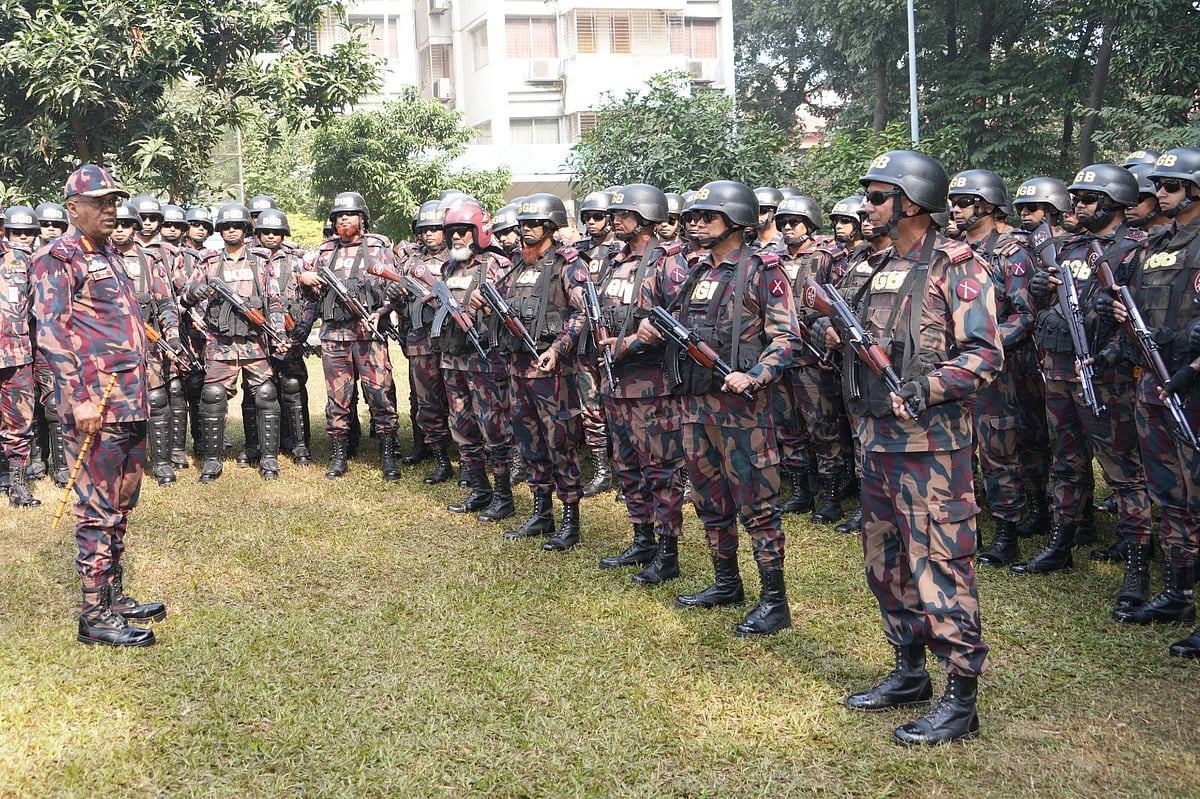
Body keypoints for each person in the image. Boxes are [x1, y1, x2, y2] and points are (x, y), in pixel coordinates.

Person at [825, 151, 1002, 744]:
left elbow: (983, 355)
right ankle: (908, 670)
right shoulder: (871, 266)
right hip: (875, 441)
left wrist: (929, 386)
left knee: (940, 566)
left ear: (913, 203)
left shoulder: (957, 266)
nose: (867, 208)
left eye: (878, 198)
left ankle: (961, 697)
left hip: (931, 449)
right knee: (886, 562)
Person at [636, 180, 800, 636]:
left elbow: (787, 339)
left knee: (758, 504)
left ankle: (774, 600)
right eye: (691, 217)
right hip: (696, 404)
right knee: (709, 499)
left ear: (737, 221)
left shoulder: (763, 271)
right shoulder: (695, 272)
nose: (695, 224)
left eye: (706, 217)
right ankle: (726, 582)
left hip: (742, 409)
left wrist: (756, 375)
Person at [31, 164, 166, 647]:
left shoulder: (109, 253)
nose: (112, 210)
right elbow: (52, 332)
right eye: (101, 203)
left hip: (129, 401)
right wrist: (81, 397)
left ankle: (114, 597)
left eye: (114, 202)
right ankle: (94, 616)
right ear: (74, 208)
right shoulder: (57, 257)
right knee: (97, 508)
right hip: (96, 404)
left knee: (123, 502)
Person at [1101, 147, 1200, 638]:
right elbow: (1127, 298)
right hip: (1152, 382)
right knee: (1170, 493)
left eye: (1172, 186)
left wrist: (1188, 353)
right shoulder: (1156, 241)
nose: (1159, 193)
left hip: (1192, 383)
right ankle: (1179, 595)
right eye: (1158, 185)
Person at [592, 183, 690, 584]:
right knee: (627, 465)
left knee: (660, 469)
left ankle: (668, 552)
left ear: (646, 217)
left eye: (623, 215)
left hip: (652, 385)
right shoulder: (614, 261)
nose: (616, 221)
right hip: (616, 384)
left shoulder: (669, 263)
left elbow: (683, 323)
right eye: (614, 215)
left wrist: (635, 340)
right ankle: (642, 537)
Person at [482, 193, 590, 551]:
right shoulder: (515, 265)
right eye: (522, 225)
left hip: (552, 371)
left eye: (532, 224)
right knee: (529, 442)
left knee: (560, 442)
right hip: (517, 368)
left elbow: (582, 314)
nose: (524, 230)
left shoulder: (567, 265)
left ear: (550, 226)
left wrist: (557, 349)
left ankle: (570, 519)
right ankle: (541, 511)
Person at [946, 170, 1036, 567]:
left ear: (987, 206)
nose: (956, 209)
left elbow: (1025, 313)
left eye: (964, 202)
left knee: (999, 453)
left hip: (995, 374)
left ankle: (1007, 531)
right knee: (959, 451)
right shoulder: (952, 253)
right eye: (954, 202)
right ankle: (969, 525)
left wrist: (988, 345)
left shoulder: (1010, 252)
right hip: (953, 370)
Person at [183, 203, 290, 482]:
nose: (232, 230)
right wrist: (197, 291)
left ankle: (268, 459)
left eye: (237, 226)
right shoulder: (208, 261)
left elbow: (275, 302)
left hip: (255, 341)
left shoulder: (260, 260)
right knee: (213, 397)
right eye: (227, 226)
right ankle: (212, 461)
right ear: (220, 230)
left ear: (245, 229)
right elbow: (185, 297)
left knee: (266, 395)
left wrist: (278, 334)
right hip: (220, 342)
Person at [301, 192, 400, 480]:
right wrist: (304, 279)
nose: (343, 219)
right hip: (334, 336)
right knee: (338, 398)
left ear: (362, 219)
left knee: (380, 395)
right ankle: (339, 454)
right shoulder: (325, 251)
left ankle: (388, 453)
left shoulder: (378, 247)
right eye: (338, 215)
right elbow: (311, 293)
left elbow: (395, 289)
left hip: (368, 334)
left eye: (350, 214)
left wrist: (381, 312)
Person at [432, 198, 515, 521]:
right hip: (453, 360)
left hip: (485, 360)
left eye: (463, 231)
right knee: (462, 426)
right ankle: (480, 489)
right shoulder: (448, 267)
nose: (456, 237)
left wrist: (485, 309)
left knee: (494, 427)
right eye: (452, 231)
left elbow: (513, 312)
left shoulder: (496, 265)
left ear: (479, 232)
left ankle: (504, 495)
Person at [0, 219, 40, 508]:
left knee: (19, 423)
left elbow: (42, 305)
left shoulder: (21, 258)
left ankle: (16, 485)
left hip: (15, 356)